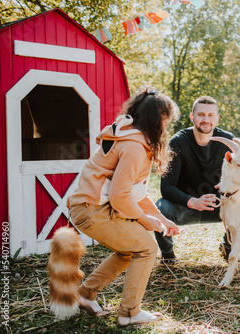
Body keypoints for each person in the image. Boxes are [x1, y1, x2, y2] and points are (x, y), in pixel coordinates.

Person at [67, 86, 180, 326]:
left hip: (89, 208)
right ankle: (129, 312)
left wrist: (161, 217)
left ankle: (86, 293)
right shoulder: (135, 148)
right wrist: (144, 219)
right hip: (92, 211)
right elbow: (120, 196)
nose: (166, 128)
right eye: (166, 122)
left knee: (130, 250)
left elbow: (133, 193)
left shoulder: (130, 137)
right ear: (157, 121)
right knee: (147, 248)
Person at [154, 96, 234, 263]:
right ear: (192, 117)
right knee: (161, 209)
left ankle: (228, 248)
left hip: (218, 206)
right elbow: (166, 187)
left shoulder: (228, 141)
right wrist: (192, 201)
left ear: (217, 118)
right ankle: (168, 255)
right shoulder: (178, 141)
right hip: (185, 206)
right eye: (201, 114)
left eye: (211, 115)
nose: (206, 120)